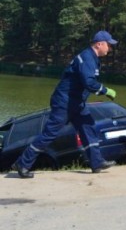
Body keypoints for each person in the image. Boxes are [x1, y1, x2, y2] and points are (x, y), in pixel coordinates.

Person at [12, 30, 119, 178]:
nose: (110, 48)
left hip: (76, 102)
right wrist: (105, 90)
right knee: (49, 134)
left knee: (88, 128)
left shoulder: (91, 57)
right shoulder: (88, 58)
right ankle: (23, 164)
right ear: (99, 44)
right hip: (65, 102)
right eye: (109, 45)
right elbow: (88, 82)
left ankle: (96, 162)